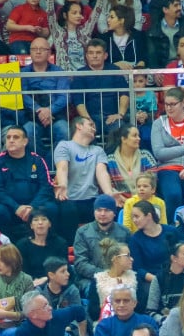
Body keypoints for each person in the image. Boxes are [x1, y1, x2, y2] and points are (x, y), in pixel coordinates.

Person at [53, 116, 122, 244]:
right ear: (79, 126)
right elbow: (62, 168)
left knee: (111, 206)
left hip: (91, 199)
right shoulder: (64, 146)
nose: (94, 129)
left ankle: (108, 247)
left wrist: (109, 193)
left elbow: (102, 172)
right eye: (90, 125)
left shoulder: (97, 150)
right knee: (67, 211)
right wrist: (62, 184)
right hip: (70, 199)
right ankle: (70, 249)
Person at [0, 126, 57, 243]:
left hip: (34, 206)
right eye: (8, 137)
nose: (11, 140)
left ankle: (49, 245)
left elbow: (46, 186)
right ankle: (7, 247)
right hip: (10, 207)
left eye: (16, 137)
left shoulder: (37, 160)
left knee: (52, 208)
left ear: (25, 141)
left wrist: (32, 207)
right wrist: (16, 207)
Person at [128, 200, 181, 310]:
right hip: (151, 279)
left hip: (175, 273)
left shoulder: (171, 231)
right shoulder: (135, 239)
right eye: (132, 217)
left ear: (149, 215)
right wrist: (157, 280)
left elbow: (182, 252)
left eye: (137, 216)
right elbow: (138, 268)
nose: (134, 220)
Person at [72, 196, 130, 290]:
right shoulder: (83, 232)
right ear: (94, 212)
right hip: (91, 279)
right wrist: (105, 275)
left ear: (114, 212)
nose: (102, 214)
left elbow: (129, 259)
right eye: (99, 210)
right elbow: (80, 263)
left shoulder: (124, 232)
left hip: (119, 278)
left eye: (107, 210)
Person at [106, 125, 158, 200]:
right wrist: (124, 200)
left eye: (138, 135)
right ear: (124, 139)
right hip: (120, 202)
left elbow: (153, 181)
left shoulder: (146, 156)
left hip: (145, 202)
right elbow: (110, 185)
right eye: (134, 136)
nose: (139, 138)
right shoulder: (110, 160)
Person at [17, 213, 68, 287]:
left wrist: (47, 280)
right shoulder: (22, 245)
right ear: (31, 225)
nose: (40, 223)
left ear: (49, 224)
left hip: (56, 283)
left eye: (44, 219)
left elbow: (63, 268)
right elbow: (23, 272)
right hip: (31, 284)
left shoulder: (60, 243)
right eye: (36, 220)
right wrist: (35, 282)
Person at [15, 290, 87, 336]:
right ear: (33, 314)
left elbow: (79, 310)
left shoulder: (57, 316)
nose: (50, 308)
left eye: (48, 304)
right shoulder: (23, 333)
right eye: (44, 306)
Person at [93, 286, 158, 336]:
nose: (121, 305)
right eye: (117, 301)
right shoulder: (104, 325)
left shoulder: (148, 321)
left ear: (134, 303)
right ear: (112, 304)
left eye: (126, 300)